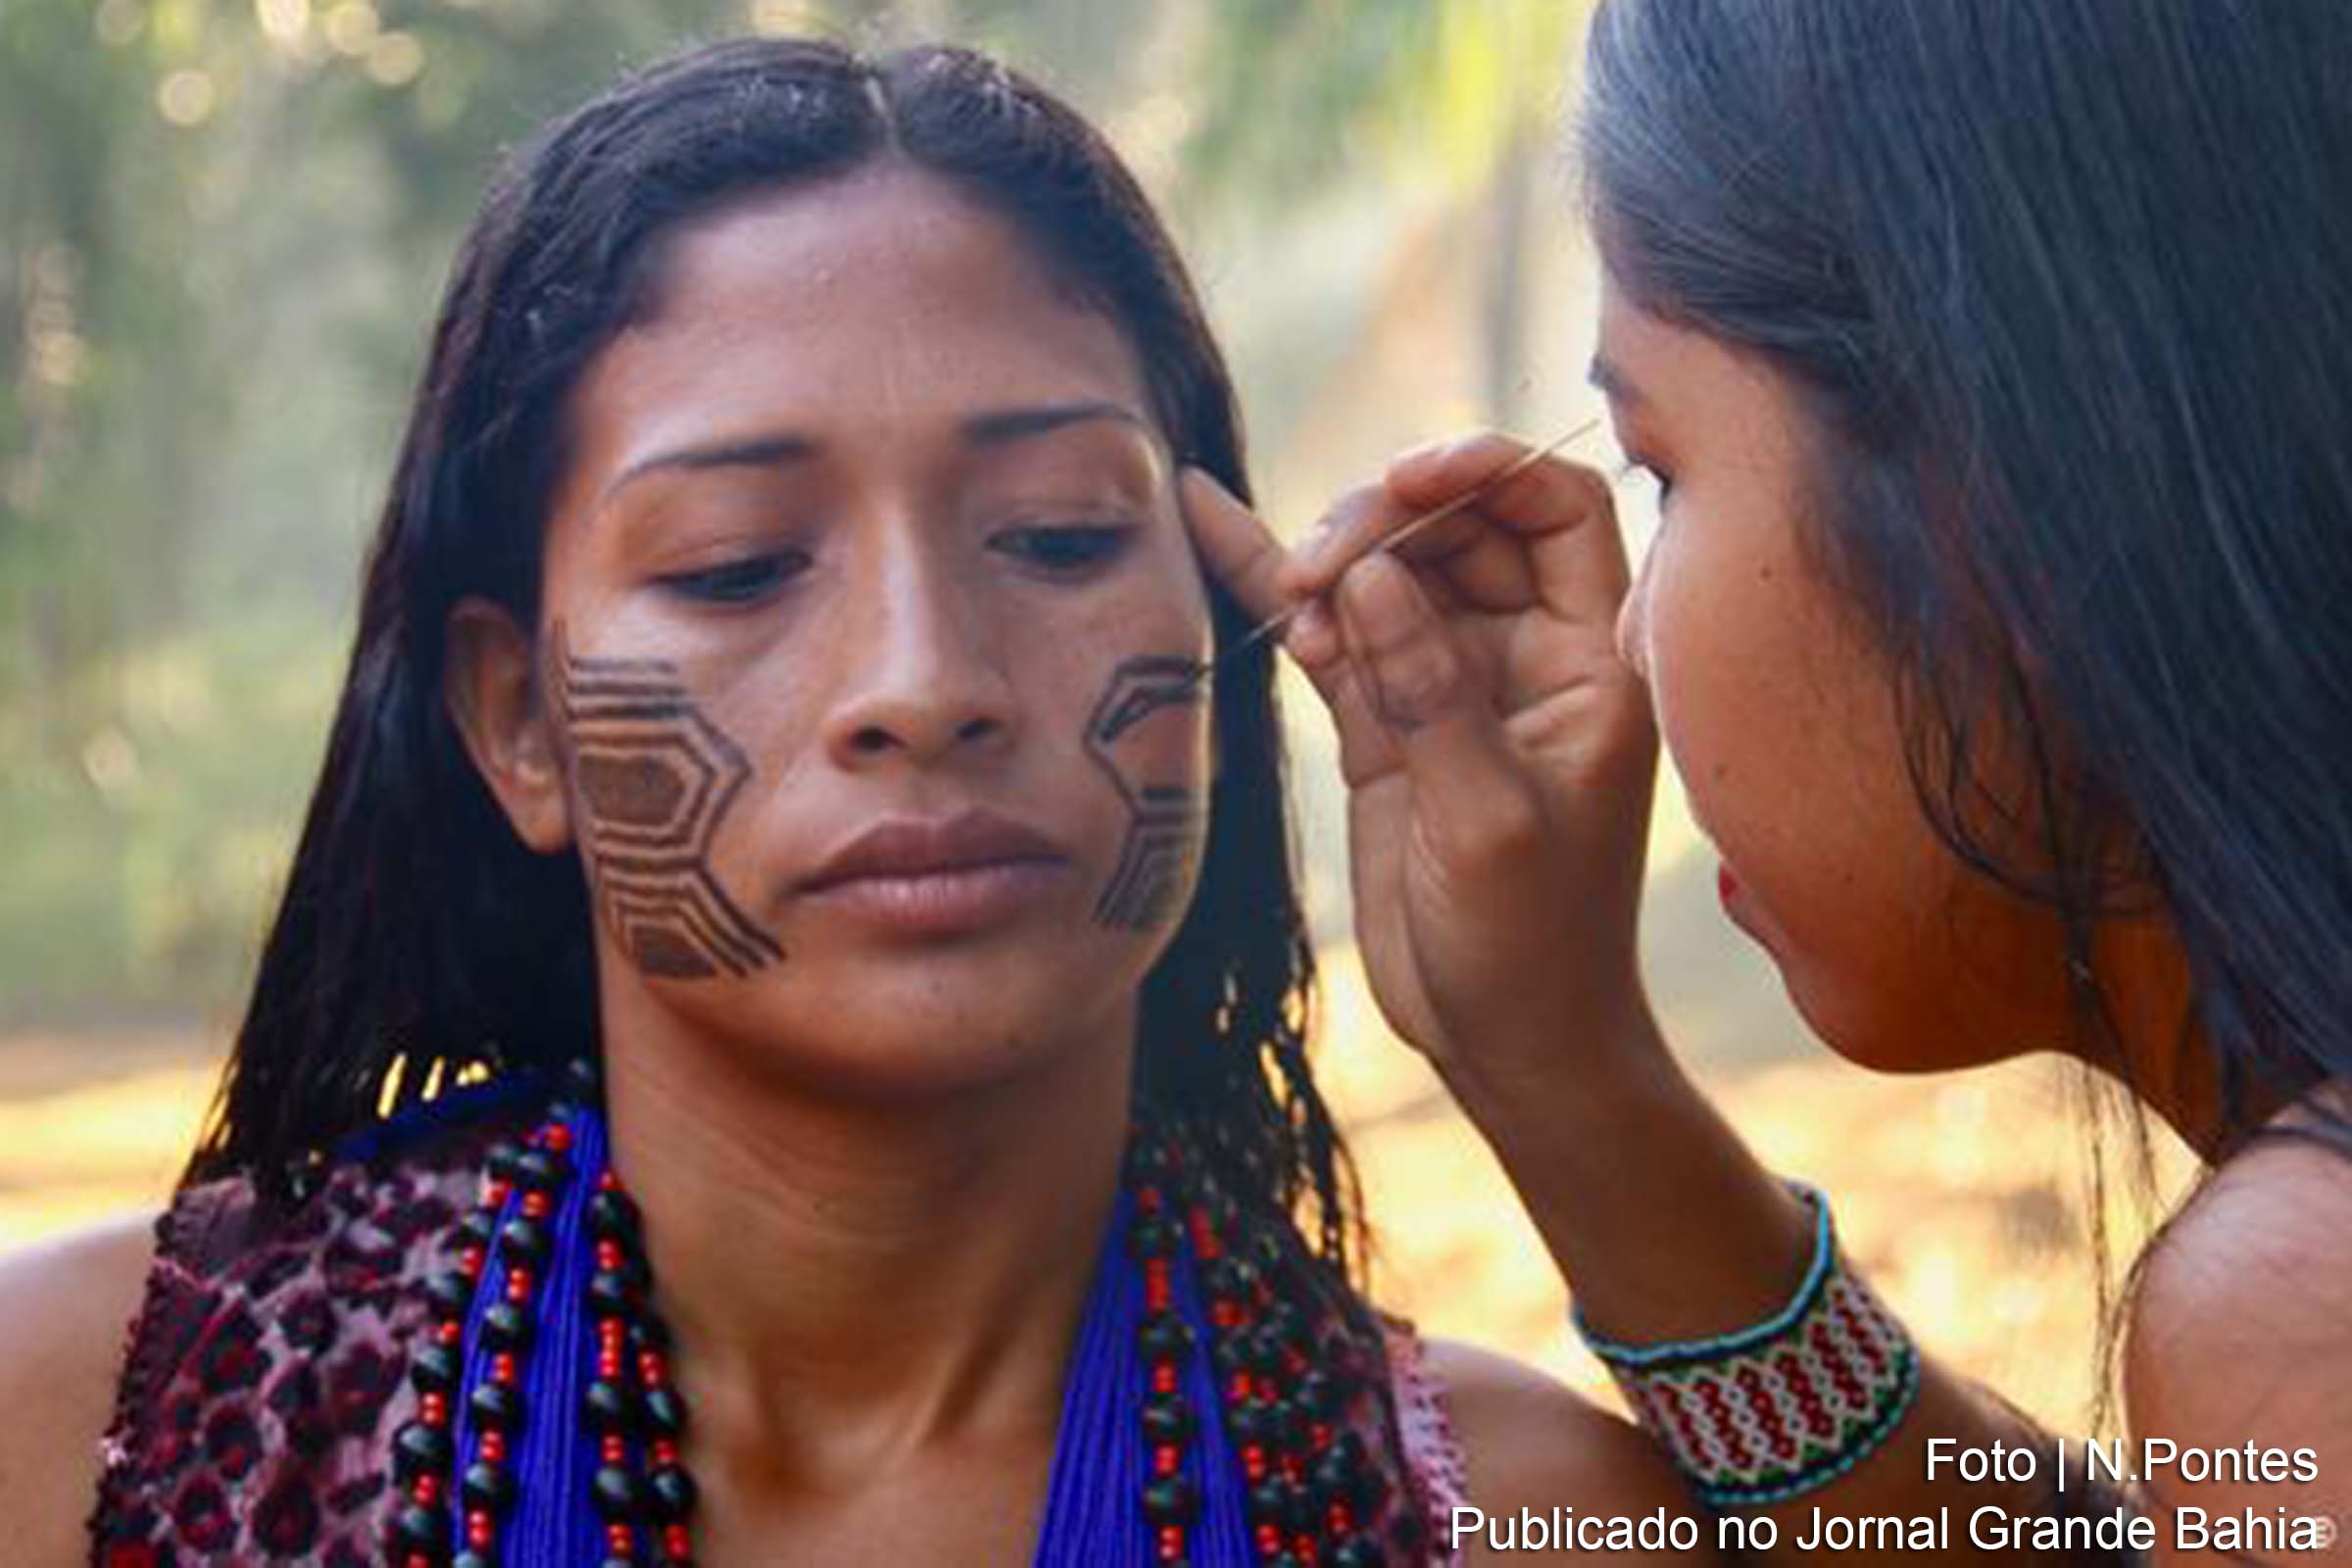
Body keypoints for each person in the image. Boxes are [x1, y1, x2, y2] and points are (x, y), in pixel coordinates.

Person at [0, 34, 1711, 1568]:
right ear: (518, 721)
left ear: (1226, 627)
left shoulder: (1500, 1509)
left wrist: (1567, 1060)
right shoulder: (80, 1428)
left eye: (1054, 536)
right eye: (740, 566)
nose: (924, 679)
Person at [1189, 0, 2351, 1560]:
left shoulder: (2304, 1294)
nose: (1631, 636)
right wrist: (1561, 1056)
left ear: (2001, 484)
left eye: (1658, 468)